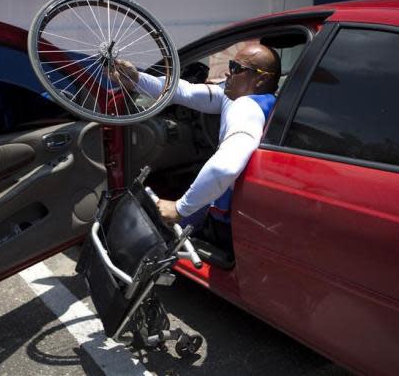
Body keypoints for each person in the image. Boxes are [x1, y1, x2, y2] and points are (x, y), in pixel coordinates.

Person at [111, 44, 281, 254]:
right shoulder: (255, 100)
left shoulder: (245, 108)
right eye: (230, 64)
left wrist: (179, 208)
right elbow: (186, 91)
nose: (229, 71)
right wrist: (137, 80)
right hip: (245, 207)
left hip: (225, 217)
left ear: (260, 79)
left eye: (237, 68)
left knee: (147, 232)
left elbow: (224, 168)